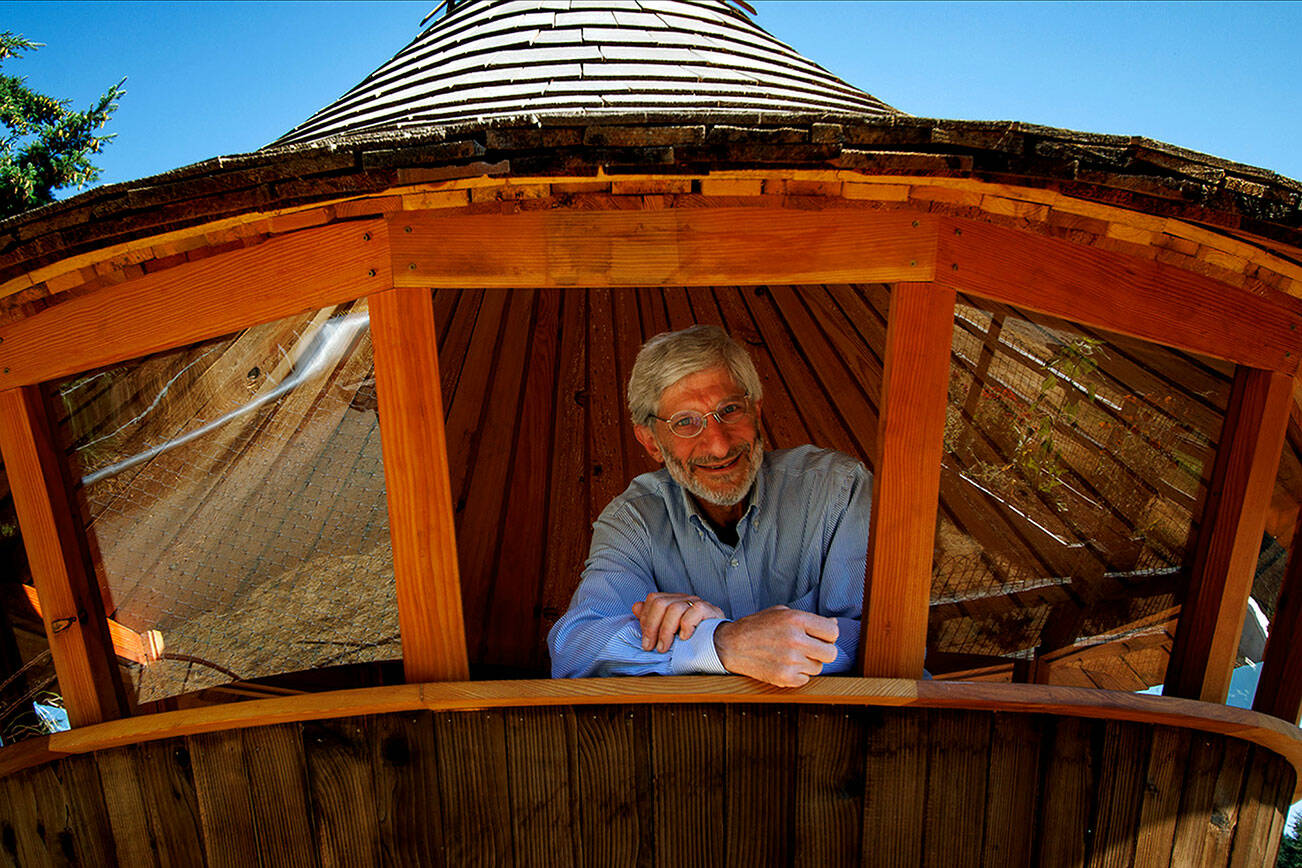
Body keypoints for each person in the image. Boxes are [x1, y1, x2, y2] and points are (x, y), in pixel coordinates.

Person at [548, 325, 871, 687]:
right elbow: (574, 650)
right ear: (651, 442)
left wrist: (687, 645)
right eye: (686, 422)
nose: (718, 445)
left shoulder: (836, 490)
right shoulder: (634, 520)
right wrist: (721, 642)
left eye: (729, 410)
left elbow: (885, 640)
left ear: (757, 410)